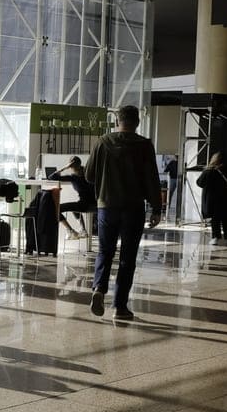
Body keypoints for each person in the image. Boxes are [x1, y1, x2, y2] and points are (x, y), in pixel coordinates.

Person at [85, 105, 161, 320]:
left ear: (117, 121)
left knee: (105, 251)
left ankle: (99, 289)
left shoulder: (102, 142)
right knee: (128, 257)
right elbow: (151, 178)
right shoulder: (144, 145)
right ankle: (120, 307)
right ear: (137, 122)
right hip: (133, 208)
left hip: (106, 206)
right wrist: (156, 208)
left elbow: (89, 175)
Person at [196, 152, 227, 246]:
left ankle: (216, 238)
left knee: (215, 219)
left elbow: (199, 182)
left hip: (214, 200)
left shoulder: (209, 171)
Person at [50, 156, 96, 240]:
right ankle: (83, 230)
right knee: (74, 206)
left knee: (55, 209)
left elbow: (52, 177)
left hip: (84, 205)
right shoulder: (89, 174)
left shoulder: (74, 177)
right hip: (95, 204)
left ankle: (71, 231)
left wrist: (64, 168)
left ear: (70, 166)